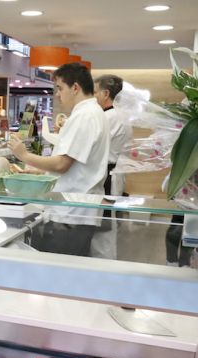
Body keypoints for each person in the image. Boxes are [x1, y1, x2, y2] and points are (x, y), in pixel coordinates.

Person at [8, 63, 110, 256]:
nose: (57, 94)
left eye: (60, 88)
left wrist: (24, 155)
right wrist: (39, 172)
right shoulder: (93, 113)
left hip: (72, 213)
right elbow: (77, 164)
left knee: (60, 273)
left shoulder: (85, 116)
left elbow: (62, 164)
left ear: (75, 87)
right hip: (77, 210)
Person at [90, 74, 134, 259]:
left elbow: (91, 146)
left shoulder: (109, 117)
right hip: (113, 172)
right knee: (106, 227)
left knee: (103, 230)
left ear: (105, 93)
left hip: (107, 175)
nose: (93, 97)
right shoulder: (120, 115)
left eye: (95, 92)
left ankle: (103, 271)